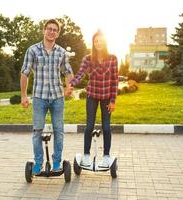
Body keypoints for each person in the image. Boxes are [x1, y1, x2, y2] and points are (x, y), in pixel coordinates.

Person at [20, 19, 74, 175]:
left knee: (59, 130)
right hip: (39, 97)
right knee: (37, 130)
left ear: (58, 33)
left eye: (55, 30)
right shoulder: (33, 50)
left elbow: (68, 71)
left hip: (57, 97)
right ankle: (38, 163)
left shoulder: (62, 52)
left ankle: (57, 161)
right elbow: (25, 72)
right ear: (44, 31)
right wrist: (24, 95)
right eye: (49, 29)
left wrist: (69, 86)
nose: (52, 32)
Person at [69, 30, 118, 168]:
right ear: (93, 43)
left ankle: (107, 156)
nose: (98, 43)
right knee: (89, 126)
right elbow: (81, 73)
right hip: (92, 96)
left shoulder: (112, 58)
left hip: (107, 98)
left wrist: (113, 100)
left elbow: (114, 81)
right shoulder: (88, 58)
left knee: (106, 127)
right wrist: (71, 83)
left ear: (105, 42)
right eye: (96, 41)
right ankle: (86, 155)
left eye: (101, 40)